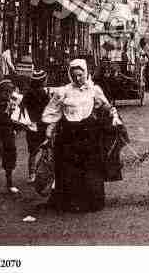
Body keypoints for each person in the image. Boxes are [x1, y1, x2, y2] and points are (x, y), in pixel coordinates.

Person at [42, 59, 122, 212]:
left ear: (86, 73)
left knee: (90, 168)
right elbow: (54, 113)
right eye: (74, 76)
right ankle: (71, 203)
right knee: (69, 169)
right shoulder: (63, 91)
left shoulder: (94, 90)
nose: (77, 79)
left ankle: (91, 202)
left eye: (80, 75)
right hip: (68, 135)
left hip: (88, 134)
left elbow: (105, 105)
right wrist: (49, 132)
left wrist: (113, 113)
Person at [22, 70, 51, 184]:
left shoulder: (28, 93)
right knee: (45, 149)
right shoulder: (44, 93)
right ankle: (43, 171)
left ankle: (31, 174)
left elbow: (23, 106)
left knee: (33, 151)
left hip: (32, 125)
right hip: (43, 124)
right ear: (42, 81)